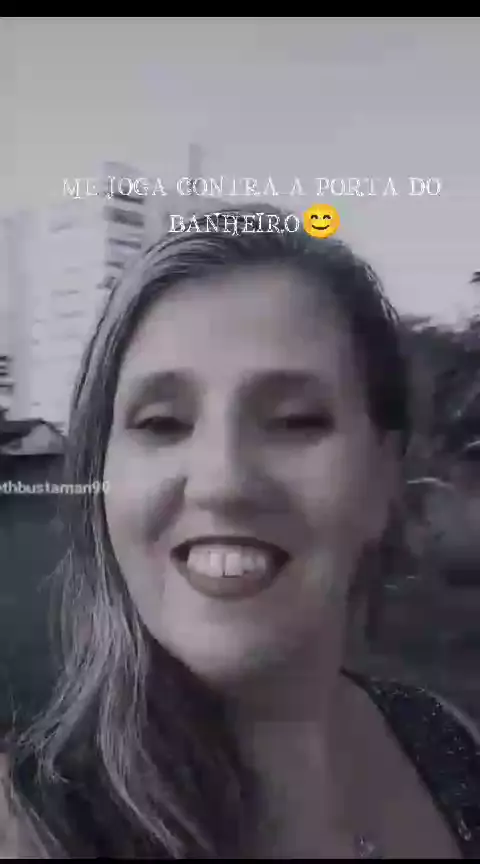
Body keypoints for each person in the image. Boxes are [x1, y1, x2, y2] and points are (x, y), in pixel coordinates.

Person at [1, 206, 480, 859]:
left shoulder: (448, 743)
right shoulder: (34, 832)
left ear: (382, 476)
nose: (223, 481)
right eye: (163, 424)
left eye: (294, 420)